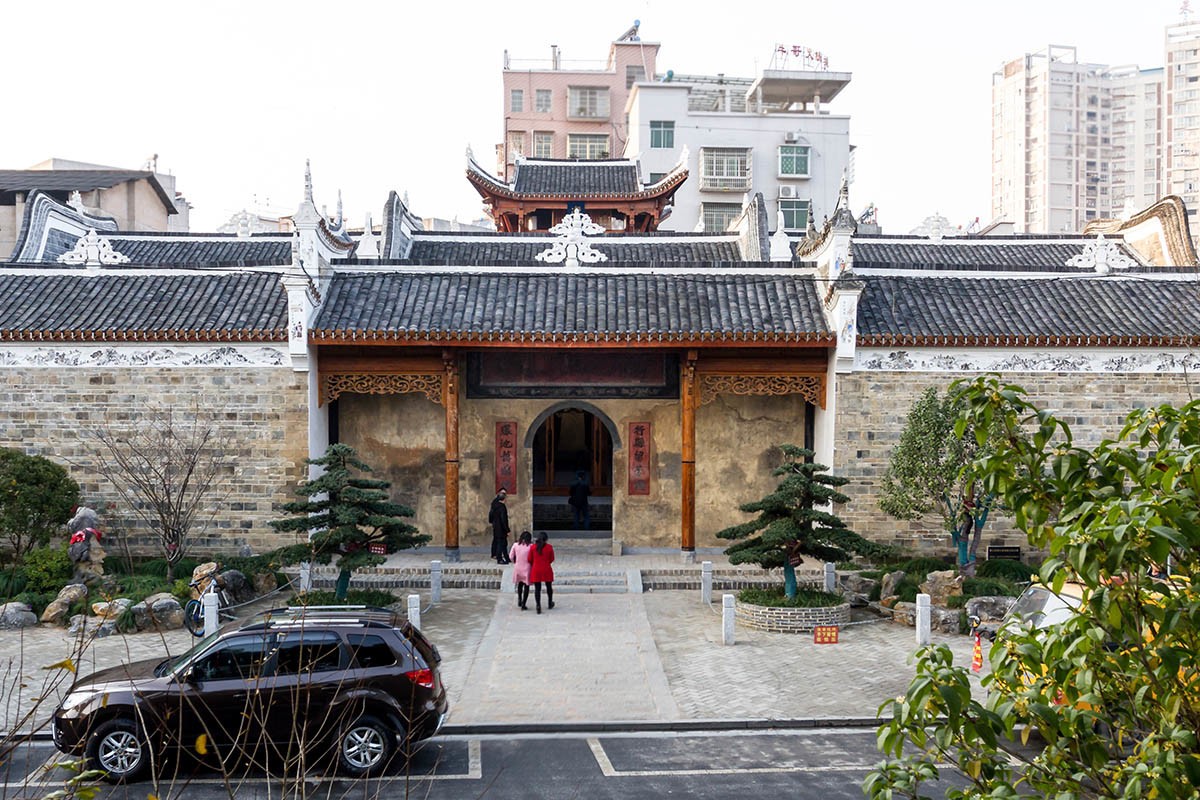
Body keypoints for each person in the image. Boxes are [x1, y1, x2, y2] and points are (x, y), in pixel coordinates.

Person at [528, 531, 555, 614]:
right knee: (549, 587)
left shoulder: (533, 547)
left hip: (536, 569)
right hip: (546, 569)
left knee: (537, 589)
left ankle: (538, 605)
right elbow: (552, 559)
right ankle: (550, 602)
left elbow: (529, 559)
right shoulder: (549, 547)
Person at [509, 531, 534, 610]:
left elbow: (511, 556)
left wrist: (515, 562)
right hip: (527, 568)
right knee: (526, 586)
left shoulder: (515, 545)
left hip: (518, 567)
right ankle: (524, 603)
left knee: (520, 584)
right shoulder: (531, 546)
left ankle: (519, 598)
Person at [488, 488, 511, 564]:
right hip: (501, 528)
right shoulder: (502, 507)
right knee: (501, 543)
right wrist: (507, 530)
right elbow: (504, 519)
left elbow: (490, 514)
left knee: (502, 543)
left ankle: (506, 558)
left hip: (496, 526)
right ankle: (499, 559)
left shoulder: (494, 505)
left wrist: (492, 522)